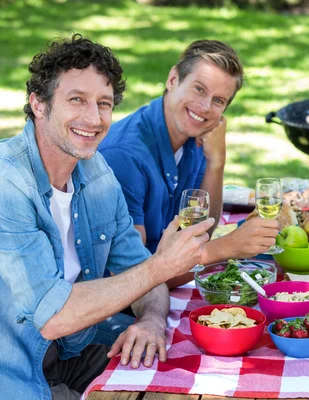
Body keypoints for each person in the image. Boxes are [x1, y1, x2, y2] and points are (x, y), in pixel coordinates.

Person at [0, 34, 277, 400]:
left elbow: (143, 272)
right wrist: (160, 267)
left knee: (199, 376)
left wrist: (149, 320)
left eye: (104, 103)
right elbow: (53, 317)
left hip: (75, 349)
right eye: (76, 100)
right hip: (17, 370)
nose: (94, 118)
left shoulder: (96, 174)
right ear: (38, 103)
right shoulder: (9, 184)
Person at [99, 40, 268, 288]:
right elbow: (129, 278)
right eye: (199, 89)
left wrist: (216, 161)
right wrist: (226, 248)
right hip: (117, 309)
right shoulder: (125, 156)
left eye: (219, 100)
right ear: (173, 79)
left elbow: (199, 234)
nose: (205, 107)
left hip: (163, 287)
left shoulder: (195, 136)